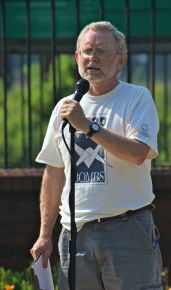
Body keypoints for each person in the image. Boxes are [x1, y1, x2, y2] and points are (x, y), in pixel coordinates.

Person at [30, 21, 163, 290]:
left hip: (127, 229)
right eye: (87, 51)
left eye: (103, 52)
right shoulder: (65, 107)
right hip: (75, 236)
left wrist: (89, 127)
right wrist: (45, 235)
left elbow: (139, 153)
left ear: (121, 60)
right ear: (77, 57)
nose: (93, 58)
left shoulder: (137, 98)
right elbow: (54, 172)